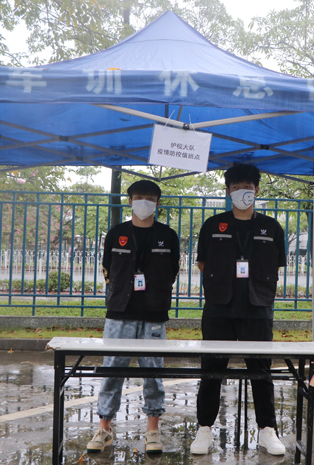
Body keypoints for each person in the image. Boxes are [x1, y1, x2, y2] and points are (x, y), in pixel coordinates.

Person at [190, 164, 287, 456]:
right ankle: (204, 429)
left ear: (256, 190)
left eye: (247, 187)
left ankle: (267, 430)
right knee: (211, 370)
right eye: (236, 187)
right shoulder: (213, 225)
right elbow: (202, 263)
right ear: (227, 191)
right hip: (219, 308)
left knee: (261, 371)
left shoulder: (272, 227)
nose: (242, 192)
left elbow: (277, 265)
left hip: (257, 308)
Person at [86, 180, 180, 455]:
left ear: (157, 203)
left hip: (154, 314)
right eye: (139, 197)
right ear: (130, 201)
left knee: (153, 372)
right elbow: (107, 267)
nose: (144, 202)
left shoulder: (167, 235)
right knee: (112, 371)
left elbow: (173, 269)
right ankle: (104, 428)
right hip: (120, 312)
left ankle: (153, 430)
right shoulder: (117, 233)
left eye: (149, 197)